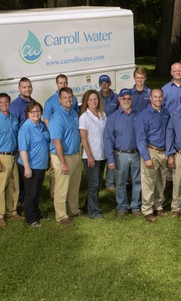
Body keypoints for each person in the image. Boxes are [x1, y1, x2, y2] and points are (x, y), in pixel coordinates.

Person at [104, 89, 142, 217]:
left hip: (136, 153)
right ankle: (122, 207)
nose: (126, 101)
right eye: (123, 98)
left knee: (137, 181)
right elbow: (108, 139)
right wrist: (110, 159)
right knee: (120, 182)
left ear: (132, 99)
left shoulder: (139, 115)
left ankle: (136, 206)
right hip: (120, 155)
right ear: (119, 99)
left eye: (129, 98)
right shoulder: (112, 118)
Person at [0, 92, 21, 226]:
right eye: (1, 102)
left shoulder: (14, 119)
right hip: (1, 156)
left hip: (13, 156)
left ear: (9, 102)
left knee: (14, 185)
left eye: (6, 102)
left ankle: (12, 211)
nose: (4, 104)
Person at [48, 87, 82, 226]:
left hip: (74, 154)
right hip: (62, 157)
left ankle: (73, 209)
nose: (68, 100)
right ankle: (61, 216)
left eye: (70, 97)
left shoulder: (73, 113)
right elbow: (56, 142)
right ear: (59, 100)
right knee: (61, 187)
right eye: (65, 97)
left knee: (74, 185)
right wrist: (62, 163)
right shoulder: (57, 117)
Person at [137, 88, 170, 222]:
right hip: (151, 151)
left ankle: (158, 205)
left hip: (163, 151)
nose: (158, 99)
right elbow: (140, 139)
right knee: (148, 182)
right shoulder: (144, 115)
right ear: (150, 98)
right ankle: (147, 209)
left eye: (160, 97)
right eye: (155, 97)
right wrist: (146, 157)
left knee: (161, 181)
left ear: (163, 98)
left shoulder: (165, 112)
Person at [18, 102, 50, 227]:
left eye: (38, 111)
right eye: (33, 111)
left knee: (37, 191)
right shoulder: (25, 128)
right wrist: (27, 167)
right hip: (30, 166)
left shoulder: (42, 125)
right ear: (28, 114)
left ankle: (37, 213)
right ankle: (31, 219)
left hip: (41, 165)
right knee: (30, 193)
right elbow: (23, 150)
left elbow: (46, 143)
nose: (36, 113)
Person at [79, 89, 107, 219]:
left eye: (95, 99)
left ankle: (87, 207)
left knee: (96, 184)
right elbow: (83, 138)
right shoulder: (84, 117)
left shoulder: (102, 115)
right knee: (94, 185)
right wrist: (90, 156)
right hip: (91, 156)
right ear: (86, 102)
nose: (93, 101)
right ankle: (94, 212)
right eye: (90, 99)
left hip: (102, 155)